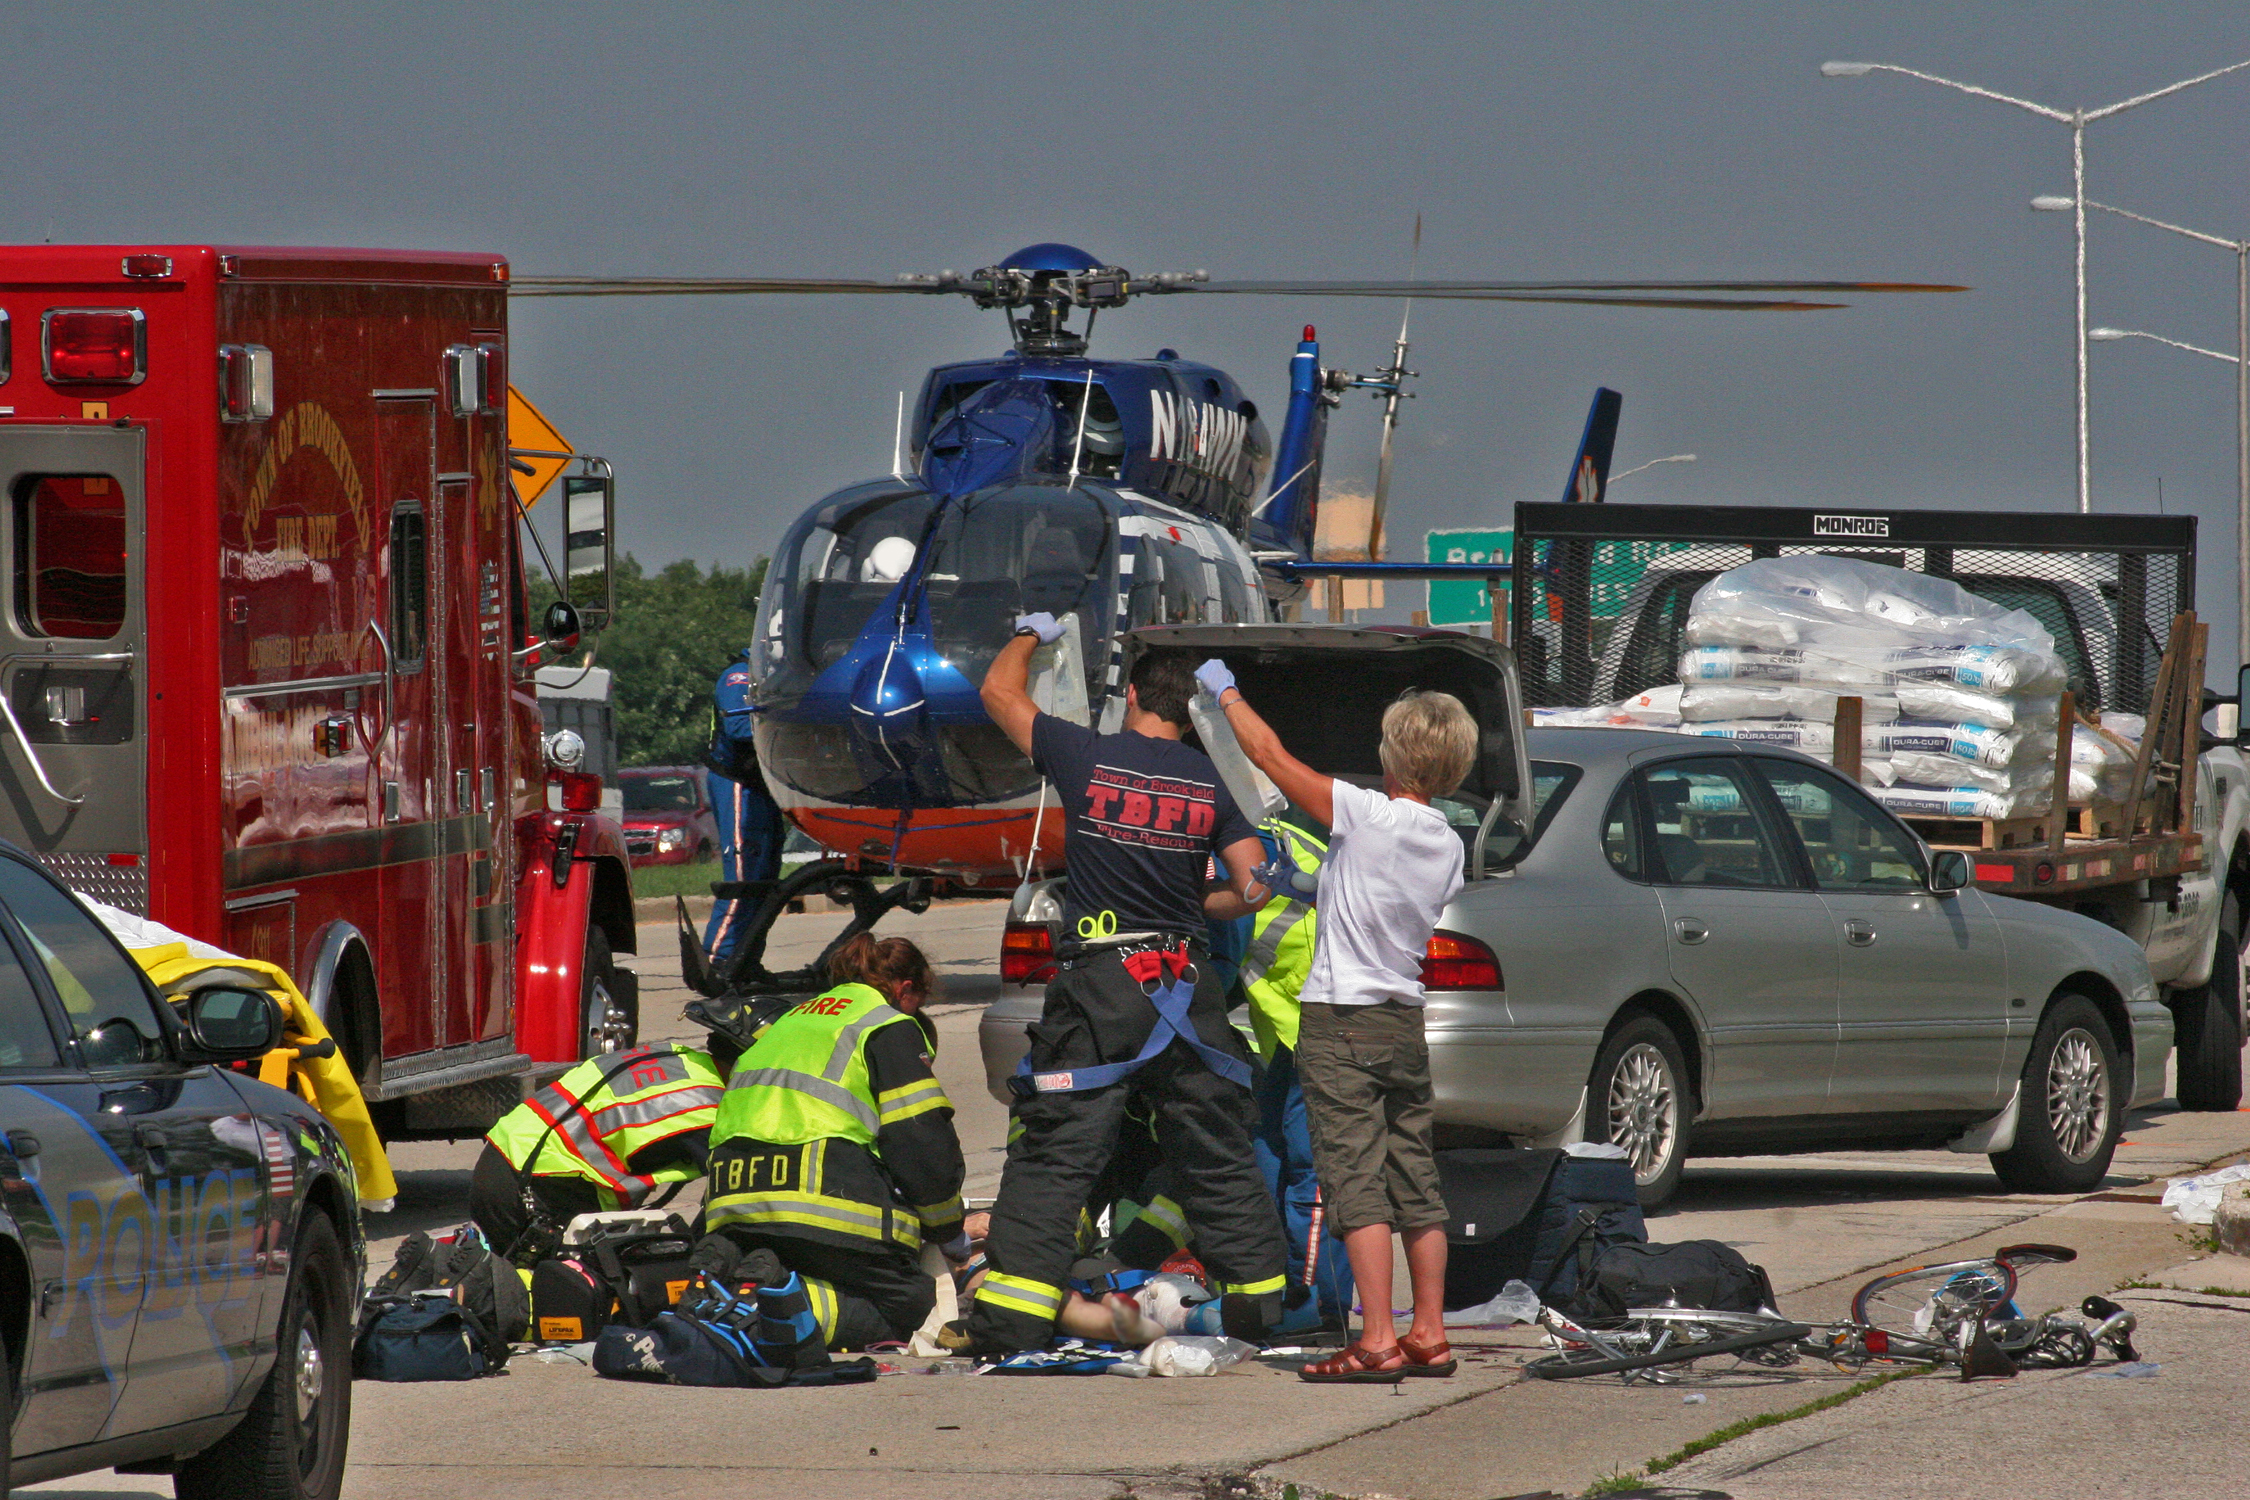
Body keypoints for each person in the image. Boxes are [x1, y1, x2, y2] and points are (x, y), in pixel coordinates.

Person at [960, 616, 1291, 1354]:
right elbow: (1255, 888)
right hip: (1183, 986)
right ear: (1189, 713)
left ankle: (1010, 1317)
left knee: (1057, 1150)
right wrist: (1189, 905)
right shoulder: (1210, 782)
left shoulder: (1088, 754)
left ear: (1135, 694)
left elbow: (997, 692)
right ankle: (1260, 1309)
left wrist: (1024, 634)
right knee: (1215, 1150)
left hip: (1102, 986)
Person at [1200, 660, 1477, 1382]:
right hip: (1401, 1019)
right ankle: (1429, 1334)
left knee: (1355, 1182)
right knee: (1415, 1177)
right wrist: (1310, 884)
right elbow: (1372, 893)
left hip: (1341, 1020)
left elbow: (1268, 757)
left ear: (1395, 754)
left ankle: (1376, 1338)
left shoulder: (1365, 811)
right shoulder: (1448, 845)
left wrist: (1225, 692)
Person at [697, 933, 967, 1352]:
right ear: (905, 989)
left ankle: (744, 1285)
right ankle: (766, 1306)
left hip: (734, 1202)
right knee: (909, 1303)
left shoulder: (786, 1022)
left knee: (806, 1259)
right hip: (821, 1206)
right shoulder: (886, 1024)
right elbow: (921, 1146)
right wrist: (949, 1231)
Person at [472, 1020, 747, 1262]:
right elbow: (741, 1187)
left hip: (504, 1159)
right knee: (559, 1298)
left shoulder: (680, 1058)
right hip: (537, 1186)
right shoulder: (701, 1105)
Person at [703, 648, 787, 971]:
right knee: (742, 877)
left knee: (766, 878)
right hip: (738, 784)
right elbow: (739, 729)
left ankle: (747, 958)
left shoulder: (775, 678)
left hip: (763, 785)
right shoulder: (740, 675)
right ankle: (718, 961)